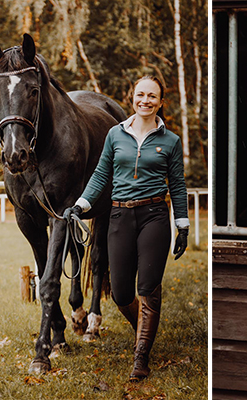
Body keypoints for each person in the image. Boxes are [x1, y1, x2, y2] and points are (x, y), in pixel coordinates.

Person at [64, 75, 189, 381]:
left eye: (152, 96)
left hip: (154, 215)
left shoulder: (170, 141)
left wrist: (182, 225)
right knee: (121, 294)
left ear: (160, 102)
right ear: (133, 96)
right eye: (140, 94)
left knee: (147, 289)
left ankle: (141, 357)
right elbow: (100, 175)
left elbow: (179, 185)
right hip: (120, 216)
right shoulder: (114, 135)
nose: (145, 100)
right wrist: (81, 205)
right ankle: (143, 330)